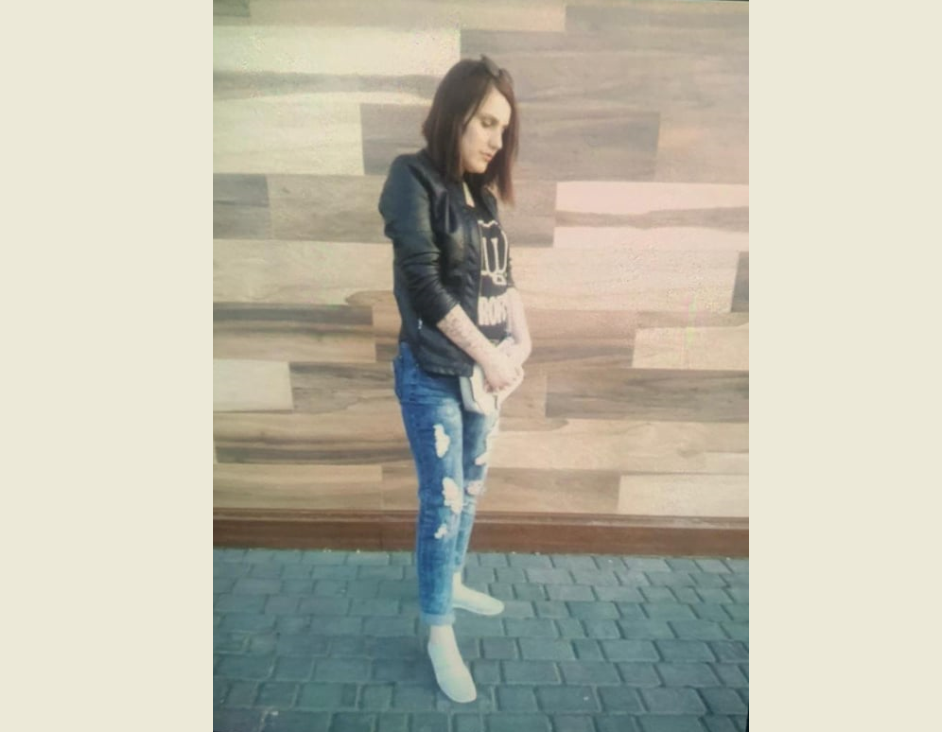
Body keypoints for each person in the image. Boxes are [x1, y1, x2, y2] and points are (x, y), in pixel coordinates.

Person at [378, 55, 532, 703]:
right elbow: (424, 283)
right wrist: (490, 358)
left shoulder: (483, 195)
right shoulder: (411, 178)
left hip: (486, 380)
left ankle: (453, 583)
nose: (497, 140)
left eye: (504, 128)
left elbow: (502, 279)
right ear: (454, 114)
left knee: (470, 490)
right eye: (487, 123)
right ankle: (438, 630)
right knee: (442, 501)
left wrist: (522, 341)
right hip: (434, 374)